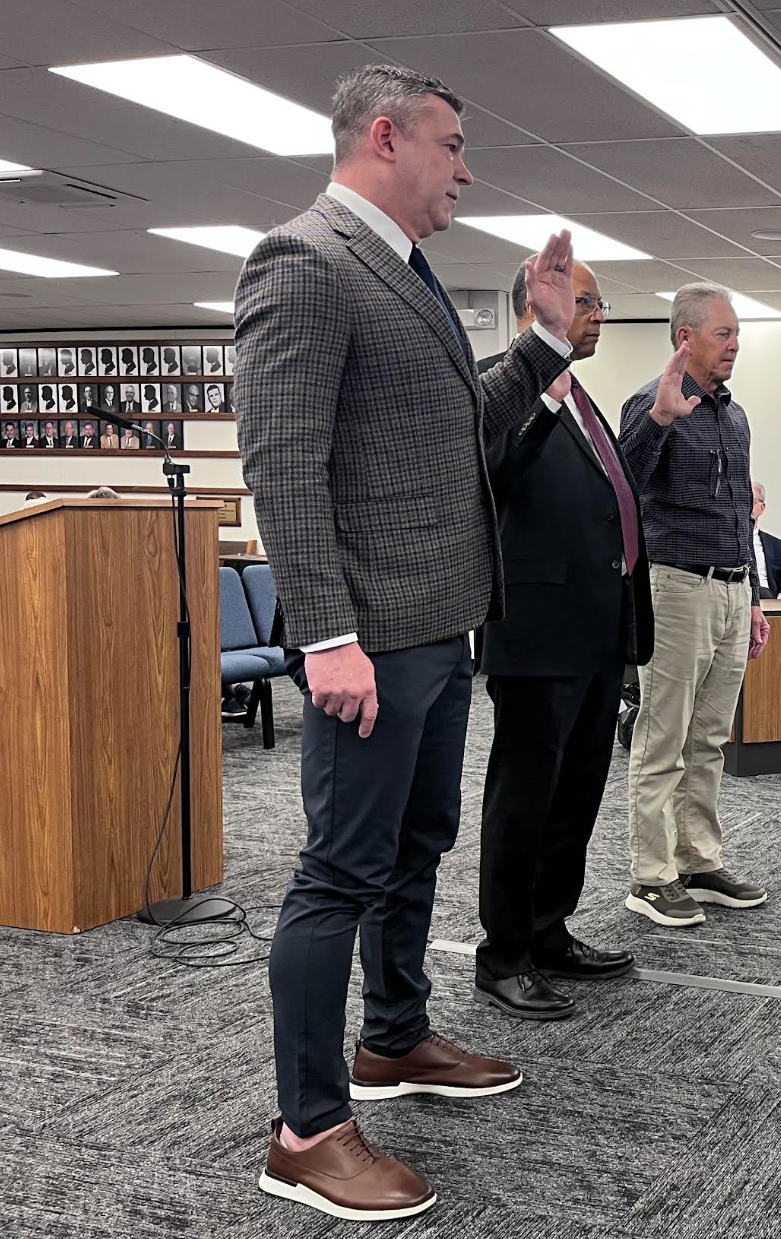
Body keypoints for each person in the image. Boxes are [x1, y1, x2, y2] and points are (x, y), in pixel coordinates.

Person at [235, 63, 580, 1221]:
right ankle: (306, 1129)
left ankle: (391, 1038)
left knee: (417, 845)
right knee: (338, 871)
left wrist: (540, 337)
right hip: (367, 641)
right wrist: (324, 633)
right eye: (451, 145)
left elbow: (454, 429)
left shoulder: (407, 271)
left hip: (438, 630)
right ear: (386, 138)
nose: (465, 171)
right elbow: (282, 462)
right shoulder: (306, 259)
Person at [472, 259, 647, 1022]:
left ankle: (550, 931)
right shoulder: (500, 388)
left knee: (576, 793)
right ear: (533, 307)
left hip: (595, 633)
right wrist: (541, 398)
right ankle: (503, 954)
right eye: (585, 301)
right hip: (538, 634)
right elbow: (492, 473)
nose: (599, 314)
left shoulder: (582, 397)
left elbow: (600, 502)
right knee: (524, 800)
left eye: (602, 302)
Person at [619, 282, 770, 929]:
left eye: (737, 333)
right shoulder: (652, 403)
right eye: (724, 333)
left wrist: (756, 597)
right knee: (664, 737)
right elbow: (621, 483)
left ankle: (698, 860)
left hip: (733, 589)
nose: (736, 344)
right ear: (686, 338)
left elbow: (742, 515)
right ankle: (651, 877)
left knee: (710, 737)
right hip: (675, 586)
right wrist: (659, 420)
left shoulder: (734, 417)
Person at [751, 481, 781, 599]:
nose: (746, 505)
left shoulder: (778, 546)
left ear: (762, 508)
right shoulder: (726, 542)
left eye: (752, 500)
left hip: (769, 600)